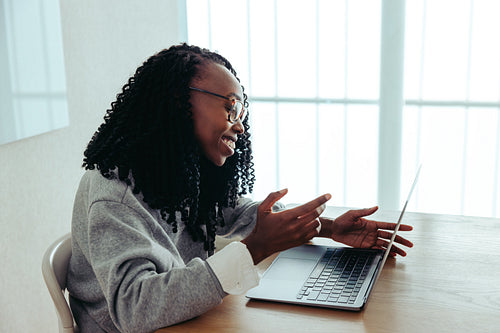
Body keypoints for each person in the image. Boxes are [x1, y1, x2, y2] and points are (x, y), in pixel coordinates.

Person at [67, 43, 413, 333]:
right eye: (231, 107)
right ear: (177, 101)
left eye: (242, 112)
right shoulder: (114, 195)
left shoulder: (174, 170)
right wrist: (254, 249)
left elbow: (243, 214)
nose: (240, 127)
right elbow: (135, 308)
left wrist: (328, 227)